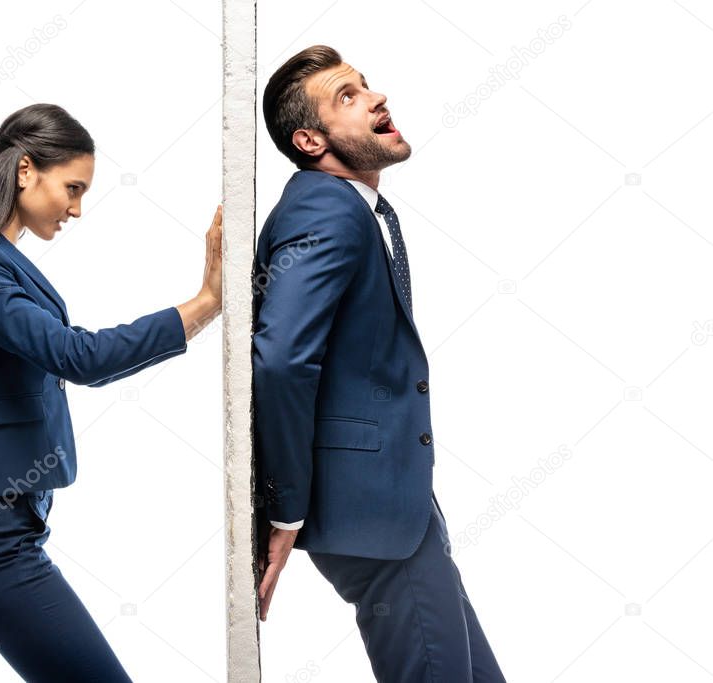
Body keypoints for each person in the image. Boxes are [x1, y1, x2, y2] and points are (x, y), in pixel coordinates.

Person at [0, 102, 223, 682]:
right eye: (72, 188)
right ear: (26, 170)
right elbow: (77, 356)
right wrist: (203, 305)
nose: (76, 208)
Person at [252, 45, 505, 681]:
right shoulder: (325, 207)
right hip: (367, 512)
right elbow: (281, 361)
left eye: (365, 86)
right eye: (347, 96)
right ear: (310, 139)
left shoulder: (351, 209)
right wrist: (284, 509)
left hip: (400, 506)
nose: (375, 97)